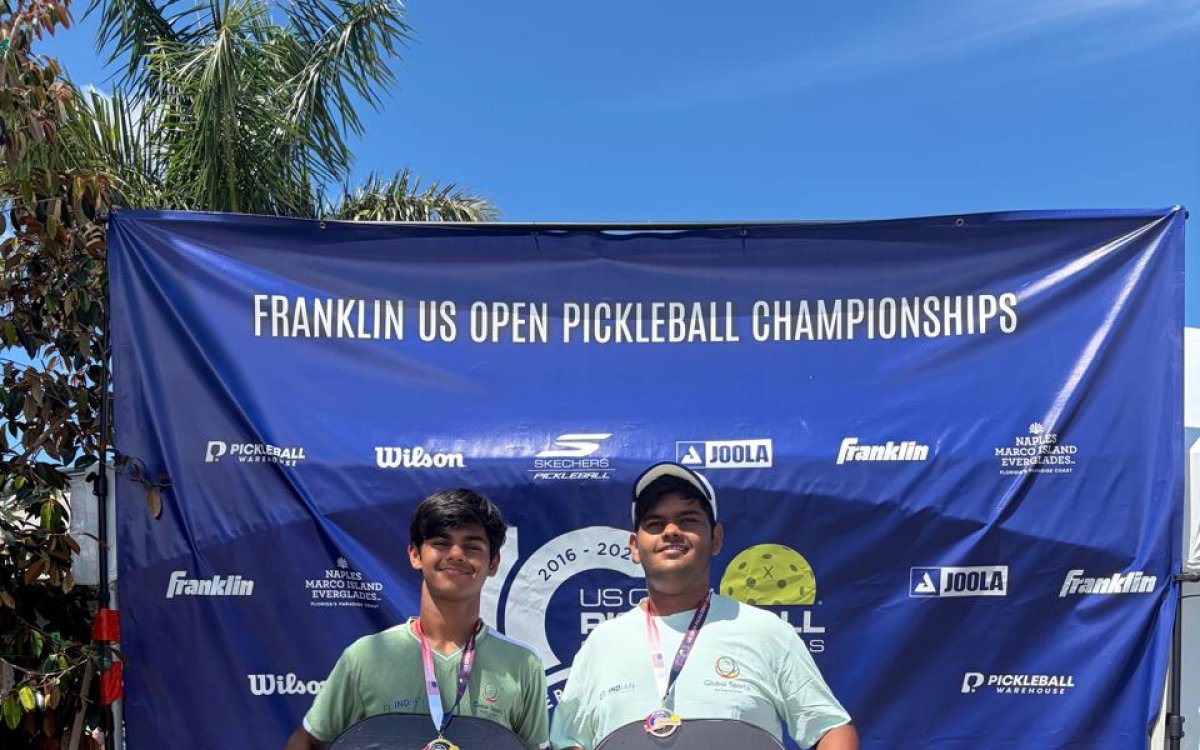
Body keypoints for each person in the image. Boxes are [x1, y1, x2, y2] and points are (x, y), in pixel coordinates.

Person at [549, 462, 857, 750]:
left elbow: (831, 729)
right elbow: (567, 741)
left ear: (716, 538)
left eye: (688, 520)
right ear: (634, 548)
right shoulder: (603, 642)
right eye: (655, 523)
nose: (671, 531)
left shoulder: (768, 632)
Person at [285, 489, 549, 750]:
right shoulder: (364, 657)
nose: (456, 554)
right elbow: (307, 742)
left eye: (472, 547)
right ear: (415, 554)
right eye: (441, 543)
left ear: (493, 563)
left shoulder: (522, 665)